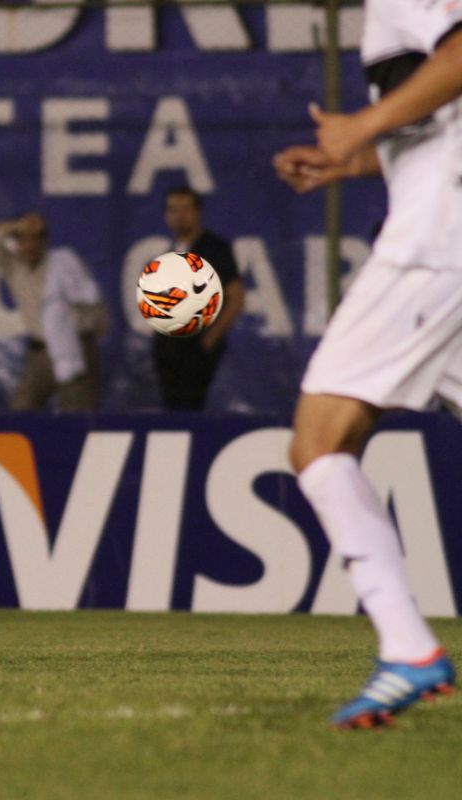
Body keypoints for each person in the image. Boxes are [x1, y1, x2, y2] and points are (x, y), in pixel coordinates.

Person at [272, 1, 462, 729]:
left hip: (434, 243)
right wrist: (351, 159)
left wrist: (361, 124)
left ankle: (410, 649)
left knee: (320, 438)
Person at [0, 212, 107, 411]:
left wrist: (87, 337)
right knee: (21, 412)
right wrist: (18, 225)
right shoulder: (14, 267)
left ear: (44, 241)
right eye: (24, 239)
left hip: (75, 349)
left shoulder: (63, 264)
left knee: (76, 418)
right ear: (16, 242)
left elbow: (94, 304)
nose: (30, 246)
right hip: (40, 354)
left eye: (36, 239)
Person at [152, 187, 244, 411]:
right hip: (168, 349)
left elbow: (235, 298)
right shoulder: (170, 252)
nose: (180, 215)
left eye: (186, 208)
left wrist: (208, 341)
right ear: (166, 216)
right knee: (171, 409)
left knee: (189, 406)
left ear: (198, 212)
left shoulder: (214, 249)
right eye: (173, 210)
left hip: (195, 347)